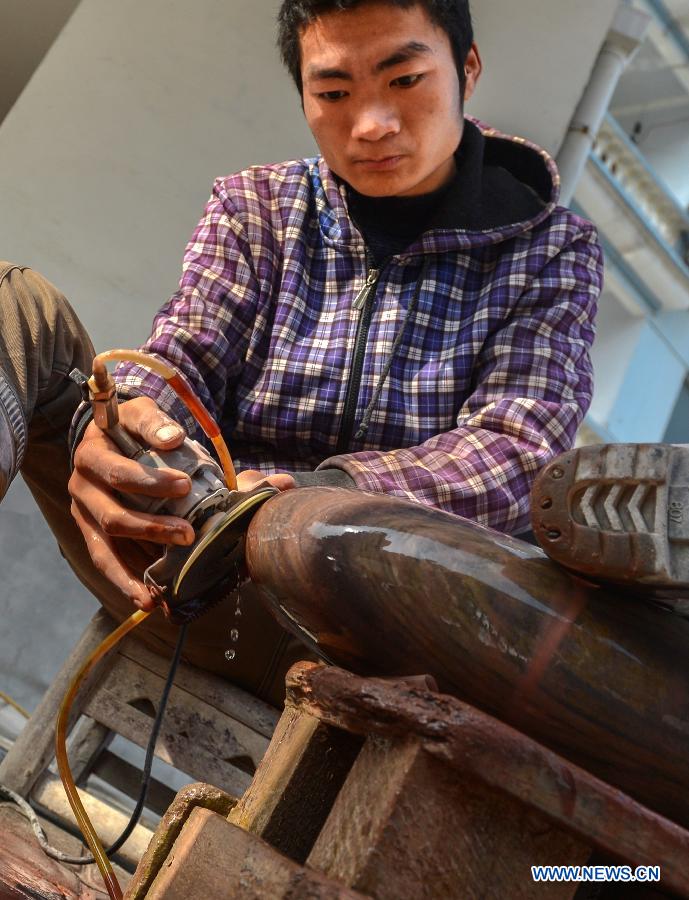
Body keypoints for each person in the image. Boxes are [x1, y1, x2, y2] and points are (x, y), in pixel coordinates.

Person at [0, 0, 604, 704]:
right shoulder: (256, 206)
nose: (370, 124)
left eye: (404, 80)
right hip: (186, 578)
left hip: (372, 640)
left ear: (466, 68)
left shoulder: (552, 252)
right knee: (15, 302)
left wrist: (322, 502)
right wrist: (120, 424)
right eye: (334, 93)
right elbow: (183, 352)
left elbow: (516, 448)